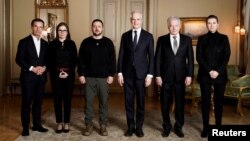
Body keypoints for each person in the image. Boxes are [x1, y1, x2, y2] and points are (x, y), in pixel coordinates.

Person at [155, 16, 194, 138]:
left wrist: (189, 75)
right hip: (165, 77)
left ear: (180, 26)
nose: (174, 28)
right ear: (168, 26)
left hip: (181, 77)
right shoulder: (161, 40)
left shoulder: (187, 40)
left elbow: (191, 60)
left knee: (180, 103)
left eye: (176, 25)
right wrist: (157, 75)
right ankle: (166, 126)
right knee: (165, 103)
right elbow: (157, 60)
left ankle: (178, 126)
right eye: (171, 25)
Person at [117, 11, 154, 137]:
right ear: (130, 20)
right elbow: (121, 55)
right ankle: (130, 127)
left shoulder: (148, 36)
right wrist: (120, 73)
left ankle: (139, 127)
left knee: (140, 103)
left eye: (138, 19)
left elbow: (152, 57)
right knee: (128, 102)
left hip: (142, 75)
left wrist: (150, 75)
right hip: (127, 74)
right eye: (133, 19)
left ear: (141, 20)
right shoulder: (125, 36)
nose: (136, 21)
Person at [78, 19, 116, 136]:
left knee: (104, 102)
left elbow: (113, 60)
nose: (97, 28)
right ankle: (88, 125)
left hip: (104, 78)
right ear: (91, 28)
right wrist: (81, 74)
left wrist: (111, 75)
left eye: (99, 26)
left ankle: (103, 125)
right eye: (94, 26)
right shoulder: (85, 42)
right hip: (89, 77)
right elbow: (80, 60)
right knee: (88, 103)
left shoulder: (108, 42)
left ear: (102, 28)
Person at [196, 15, 231, 138]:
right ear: (206, 25)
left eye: (214, 23)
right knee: (205, 103)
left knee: (219, 102)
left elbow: (226, 57)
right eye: (209, 23)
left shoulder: (224, 38)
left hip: (220, 76)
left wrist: (217, 71)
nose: (211, 25)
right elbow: (199, 57)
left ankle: (218, 127)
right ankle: (206, 128)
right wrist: (210, 71)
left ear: (218, 24)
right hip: (205, 75)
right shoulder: (202, 39)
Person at [15, 18, 49, 136]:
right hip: (28, 78)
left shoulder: (45, 43)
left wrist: (44, 68)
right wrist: (32, 68)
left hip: (41, 78)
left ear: (43, 28)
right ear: (31, 27)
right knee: (26, 103)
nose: (38, 29)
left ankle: (37, 125)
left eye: (41, 27)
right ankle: (25, 128)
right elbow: (19, 59)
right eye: (36, 26)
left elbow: (48, 61)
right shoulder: (23, 42)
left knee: (38, 103)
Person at [47, 22, 77, 133]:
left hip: (69, 75)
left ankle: (67, 123)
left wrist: (68, 72)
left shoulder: (72, 44)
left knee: (68, 99)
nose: (62, 32)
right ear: (57, 32)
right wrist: (57, 73)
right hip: (55, 75)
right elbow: (49, 61)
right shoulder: (52, 44)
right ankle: (59, 122)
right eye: (60, 30)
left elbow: (74, 60)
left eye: (64, 30)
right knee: (57, 99)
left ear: (67, 32)